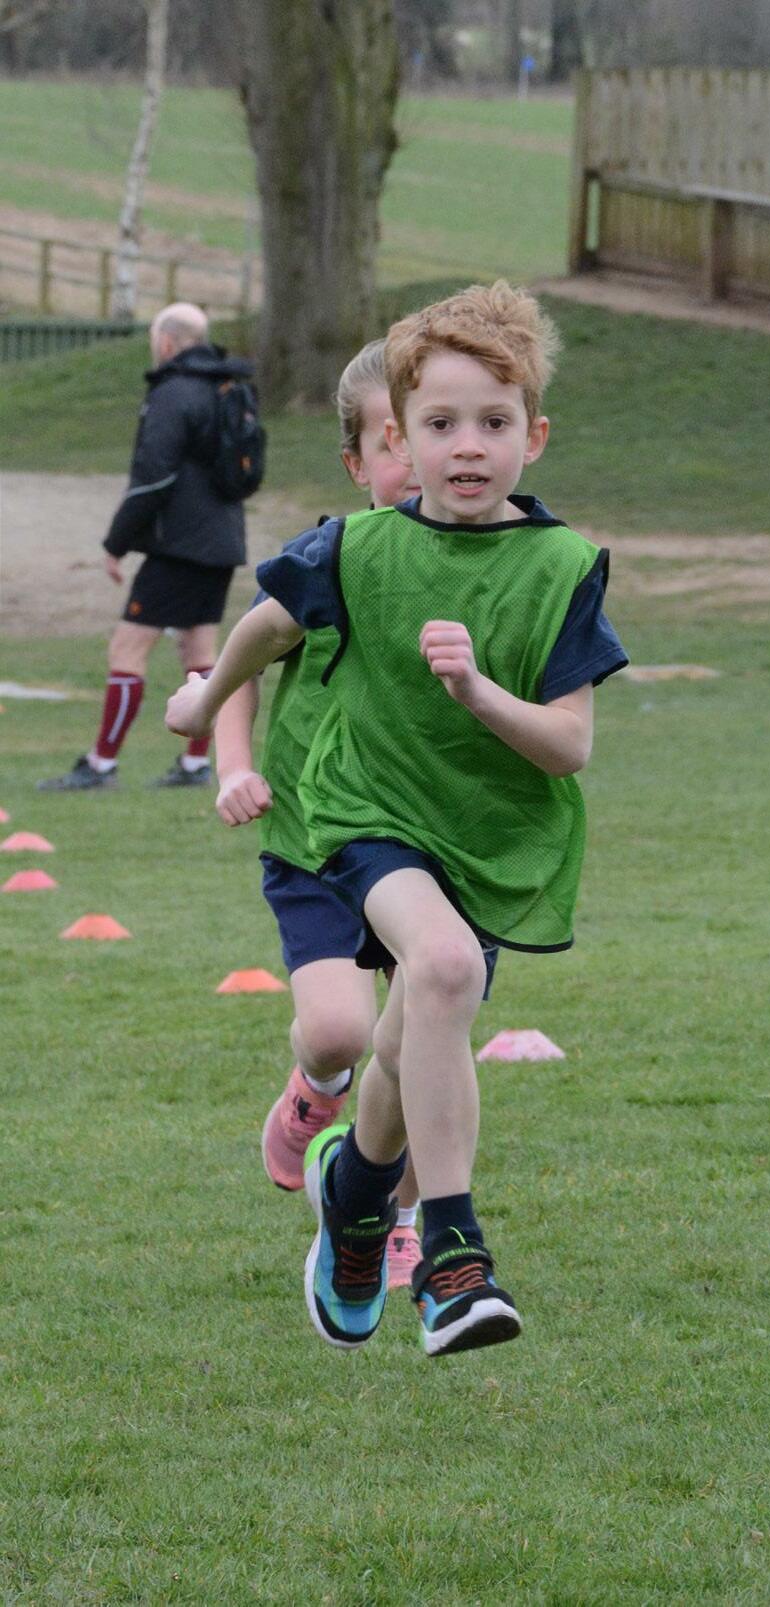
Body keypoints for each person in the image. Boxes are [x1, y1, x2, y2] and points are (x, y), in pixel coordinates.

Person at [165, 281, 628, 1359]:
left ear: (534, 436)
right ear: (400, 442)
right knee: (444, 969)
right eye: (440, 423)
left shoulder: (564, 568)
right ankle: (454, 1258)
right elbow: (263, 628)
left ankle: (358, 1196)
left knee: (407, 1036)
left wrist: (479, 695)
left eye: (493, 422)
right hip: (363, 813)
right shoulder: (355, 548)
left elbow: (568, 746)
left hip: (490, 840)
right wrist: (204, 702)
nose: (467, 445)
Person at [212, 339, 425, 1289]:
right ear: (356, 462)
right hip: (314, 844)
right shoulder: (326, 561)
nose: (417, 458)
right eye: (393, 441)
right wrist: (233, 766)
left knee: (416, 1046)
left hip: (428, 849)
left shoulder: (486, 565)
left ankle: (404, 1219)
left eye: (432, 430)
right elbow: (239, 666)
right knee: (343, 1031)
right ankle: (315, 1088)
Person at [39, 301, 252, 792]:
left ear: (166, 342)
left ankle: (101, 765)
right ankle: (195, 765)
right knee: (199, 649)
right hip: (222, 542)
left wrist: (116, 543)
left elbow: (152, 478)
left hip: (179, 547)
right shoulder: (229, 387)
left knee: (128, 646)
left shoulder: (173, 392)